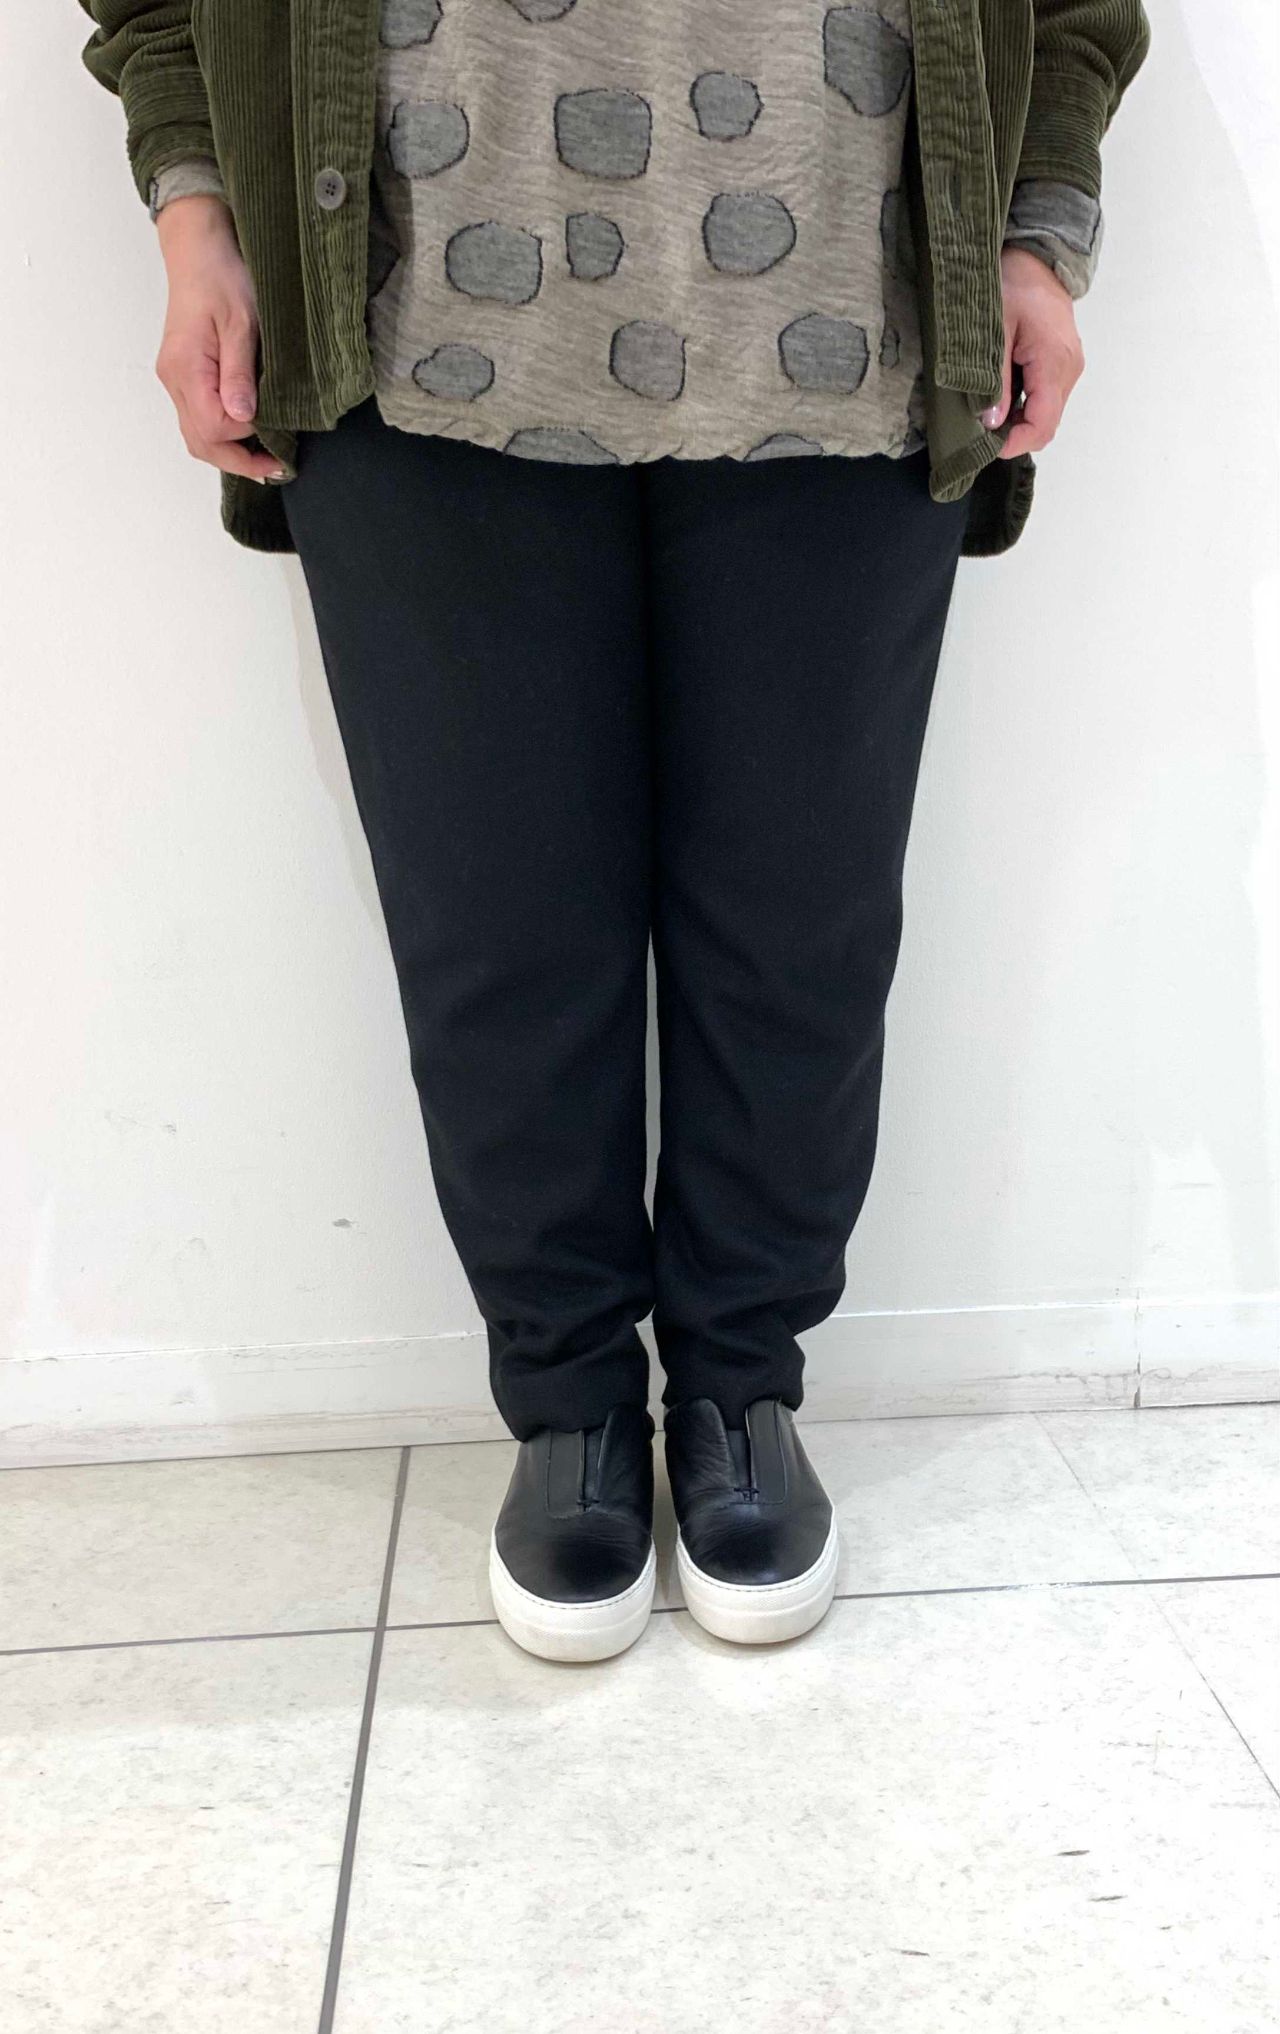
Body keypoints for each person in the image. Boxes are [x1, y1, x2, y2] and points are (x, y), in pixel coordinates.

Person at [79, 0, 1150, 1662]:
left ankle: (739, 1390)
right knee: (497, 925)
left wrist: (1037, 230)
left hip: (849, 298)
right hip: (407, 310)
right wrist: (196, 206)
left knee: (796, 923)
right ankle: (571, 1399)